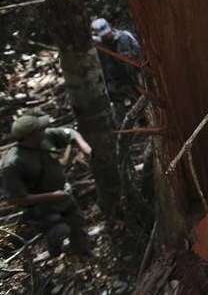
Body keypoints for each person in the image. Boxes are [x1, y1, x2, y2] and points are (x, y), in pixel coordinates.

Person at [1, 112, 93, 256]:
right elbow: (17, 198)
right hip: (41, 208)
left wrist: (86, 148)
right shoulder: (12, 164)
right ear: (29, 137)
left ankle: (84, 255)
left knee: (77, 223)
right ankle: (56, 255)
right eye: (39, 130)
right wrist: (51, 196)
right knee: (60, 231)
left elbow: (71, 133)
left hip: (63, 197)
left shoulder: (45, 137)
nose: (43, 131)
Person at [91, 18, 142, 115]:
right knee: (121, 113)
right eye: (103, 36)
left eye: (107, 33)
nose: (106, 36)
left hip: (133, 80)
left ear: (110, 27)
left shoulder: (125, 37)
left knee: (141, 110)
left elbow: (140, 55)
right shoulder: (98, 46)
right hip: (115, 86)